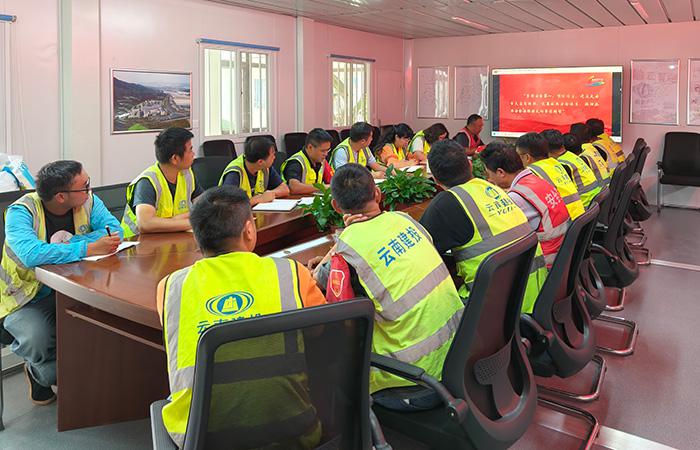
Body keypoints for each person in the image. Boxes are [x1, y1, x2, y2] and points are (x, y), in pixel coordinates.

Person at [157, 185, 326, 448]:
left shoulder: (170, 288)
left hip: (202, 440)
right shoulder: (291, 273)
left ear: (196, 238)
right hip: (292, 434)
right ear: (248, 230)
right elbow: (320, 331)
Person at [311, 163, 464, 410]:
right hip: (460, 356)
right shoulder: (406, 221)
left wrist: (343, 240)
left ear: (336, 207)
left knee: (326, 365)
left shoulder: (348, 252)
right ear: (378, 194)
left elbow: (317, 280)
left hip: (413, 381)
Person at [1, 160, 122, 405]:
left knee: (104, 327)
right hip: (25, 297)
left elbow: (114, 231)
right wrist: (87, 247)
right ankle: (38, 372)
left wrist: (70, 244)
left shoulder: (88, 201)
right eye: (84, 186)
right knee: (40, 342)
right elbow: (31, 254)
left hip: (73, 286)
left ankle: (78, 375)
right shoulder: (21, 211)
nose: (89, 190)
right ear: (60, 196)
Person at [420, 140, 547, 313]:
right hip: (535, 296)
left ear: (435, 179)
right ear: (470, 166)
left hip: (495, 310)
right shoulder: (492, 188)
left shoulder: (447, 203)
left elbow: (419, 255)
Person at [480, 142, 570, 269]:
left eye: (488, 174)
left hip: (544, 264)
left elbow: (500, 236)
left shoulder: (517, 197)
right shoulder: (536, 180)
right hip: (561, 256)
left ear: (500, 172)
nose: (488, 179)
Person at [121, 127, 202, 237]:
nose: (193, 154)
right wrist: (193, 222)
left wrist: (175, 219)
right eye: (190, 150)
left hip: (169, 238)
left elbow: (204, 207)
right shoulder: (147, 182)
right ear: (175, 159)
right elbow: (145, 223)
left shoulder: (187, 174)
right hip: (136, 242)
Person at [516, 132, 585, 220]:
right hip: (578, 217)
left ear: (527, 157)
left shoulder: (532, 173)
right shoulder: (556, 164)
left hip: (566, 221)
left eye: (518, 156)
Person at [219, 136, 290, 205]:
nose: (274, 157)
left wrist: (271, 193)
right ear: (260, 162)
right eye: (272, 155)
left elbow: (285, 189)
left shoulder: (265, 168)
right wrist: (258, 199)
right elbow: (227, 204)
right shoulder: (234, 173)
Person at [541, 129, 601, 208]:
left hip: (584, 206)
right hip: (593, 204)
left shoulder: (561, 165)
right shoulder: (572, 156)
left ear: (545, 149)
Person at [281, 128, 334, 195]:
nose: (326, 154)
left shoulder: (321, 160)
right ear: (310, 147)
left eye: (328, 150)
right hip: (294, 199)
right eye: (322, 151)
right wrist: (322, 187)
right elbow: (294, 188)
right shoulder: (296, 162)